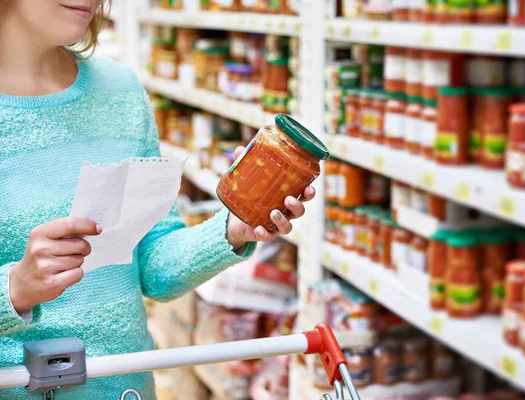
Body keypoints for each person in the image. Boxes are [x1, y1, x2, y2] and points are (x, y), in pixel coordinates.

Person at [0, 1, 315, 398]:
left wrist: (233, 228)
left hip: (127, 389)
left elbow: (153, 269)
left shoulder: (120, 92)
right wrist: (14, 290)